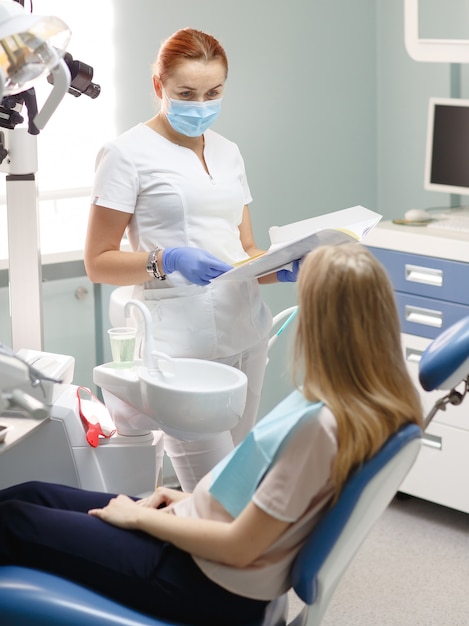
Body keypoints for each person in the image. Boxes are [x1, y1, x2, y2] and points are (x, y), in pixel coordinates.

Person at [0, 244, 423, 626]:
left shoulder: (323, 428)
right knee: (35, 493)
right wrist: (185, 500)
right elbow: (267, 510)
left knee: (15, 523)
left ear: (324, 326)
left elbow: (241, 547)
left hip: (202, 581)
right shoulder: (361, 406)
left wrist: (140, 518)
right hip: (201, 546)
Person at [84, 27, 299, 492]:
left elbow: (244, 250)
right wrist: (166, 259)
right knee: (214, 493)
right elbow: (98, 262)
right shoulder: (126, 154)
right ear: (159, 86)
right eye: (186, 93)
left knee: (238, 478)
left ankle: (209, 560)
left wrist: (280, 266)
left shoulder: (228, 152)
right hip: (179, 347)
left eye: (213, 92)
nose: (201, 104)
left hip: (247, 332)